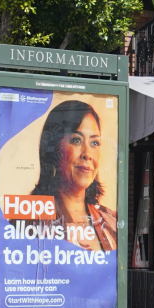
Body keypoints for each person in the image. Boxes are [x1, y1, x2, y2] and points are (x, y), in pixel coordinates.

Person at [30, 100, 118, 251]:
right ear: (54, 149)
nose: (87, 154)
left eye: (95, 143)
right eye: (76, 140)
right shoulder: (31, 218)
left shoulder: (112, 221)